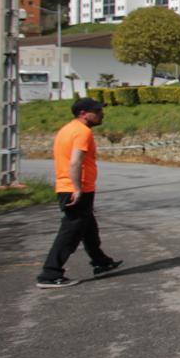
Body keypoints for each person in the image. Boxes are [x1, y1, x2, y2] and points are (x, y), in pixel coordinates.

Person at [36, 98, 122, 289]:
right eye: (97, 110)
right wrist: (77, 188)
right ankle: (50, 274)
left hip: (72, 187)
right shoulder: (82, 132)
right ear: (83, 113)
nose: (101, 113)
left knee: (88, 227)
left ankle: (101, 261)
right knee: (71, 232)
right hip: (75, 188)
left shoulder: (69, 129)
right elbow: (75, 162)